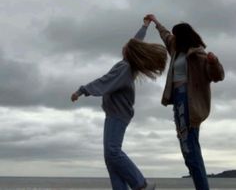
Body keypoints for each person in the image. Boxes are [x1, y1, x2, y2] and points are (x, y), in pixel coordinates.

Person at [71, 17, 167, 190]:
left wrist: (82, 90)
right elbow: (136, 42)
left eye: (126, 46)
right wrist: (144, 26)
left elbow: (104, 81)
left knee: (113, 152)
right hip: (115, 114)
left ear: (129, 52)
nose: (123, 46)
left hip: (118, 114)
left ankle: (141, 185)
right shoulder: (128, 65)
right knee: (110, 157)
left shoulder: (124, 67)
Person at [143, 14, 225, 190]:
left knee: (191, 151)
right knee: (188, 151)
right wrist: (156, 22)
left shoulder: (199, 55)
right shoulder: (175, 49)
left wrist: (214, 62)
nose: (174, 37)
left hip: (190, 103)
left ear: (184, 37)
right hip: (179, 101)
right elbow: (166, 35)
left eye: (177, 35)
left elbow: (217, 76)